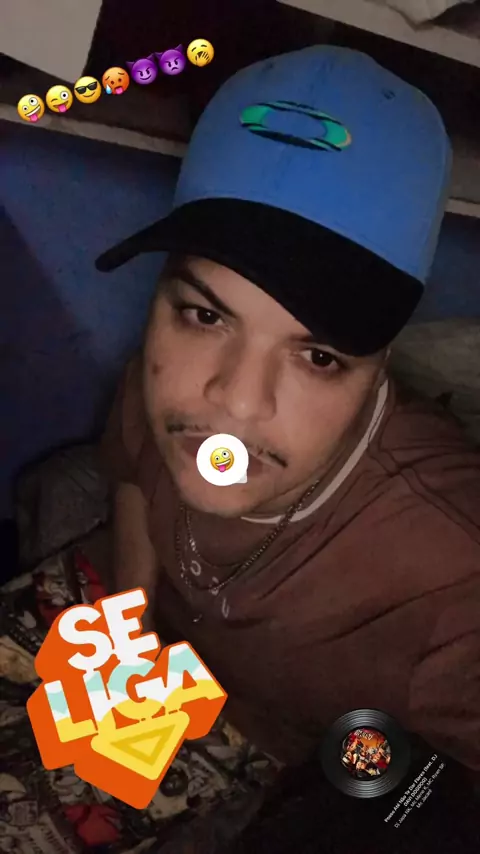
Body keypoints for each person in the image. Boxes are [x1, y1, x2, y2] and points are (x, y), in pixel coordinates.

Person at [94, 43, 480, 847]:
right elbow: (132, 473)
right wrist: (131, 638)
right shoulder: (156, 387)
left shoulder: (451, 581)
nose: (234, 401)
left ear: (378, 367)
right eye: (206, 315)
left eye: (318, 355)